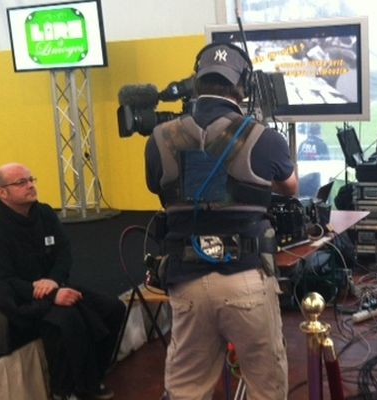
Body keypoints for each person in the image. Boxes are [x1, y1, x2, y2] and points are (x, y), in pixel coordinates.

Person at [144, 42, 297, 400]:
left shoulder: (160, 139)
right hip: (245, 275)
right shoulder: (264, 137)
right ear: (243, 86)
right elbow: (289, 188)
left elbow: (159, 189)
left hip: (186, 278)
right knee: (265, 385)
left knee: (184, 390)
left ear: (196, 81)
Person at [0, 163, 125, 400]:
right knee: (66, 320)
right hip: (20, 301)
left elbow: (63, 253)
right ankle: (64, 390)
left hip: (56, 287)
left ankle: (91, 377)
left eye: (31, 179)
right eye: (21, 182)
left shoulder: (46, 213)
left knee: (113, 308)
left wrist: (53, 282)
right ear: (2, 192)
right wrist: (49, 294)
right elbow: (3, 281)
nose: (30, 185)